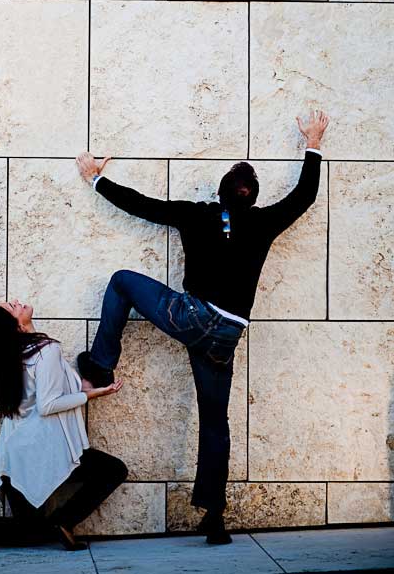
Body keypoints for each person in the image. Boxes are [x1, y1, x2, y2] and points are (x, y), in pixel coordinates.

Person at [75, 109, 329, 546]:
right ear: (251, 198)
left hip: (193, 317)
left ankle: (100, 367)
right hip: (226, 338)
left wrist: (96, 179)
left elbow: (143, 205)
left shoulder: (196, 215)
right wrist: (313, 141)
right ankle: (214, 516)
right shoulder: (265, 221)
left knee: (121, 281)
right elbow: (303, 196)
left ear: (221, 192)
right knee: (215, 421)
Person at [0, 296, 127, 555]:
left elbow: (55, 383)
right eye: (11, 307)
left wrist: (83, 385)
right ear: (14, 326)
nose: (17, 302)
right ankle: (62, 522)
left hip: (19, 453)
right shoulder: (44, 349)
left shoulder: (17, 355)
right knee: (112, 471)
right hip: (40, 451)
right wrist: (94, 394)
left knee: (29, 532)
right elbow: (48, 404)